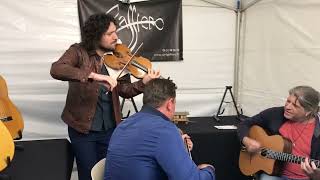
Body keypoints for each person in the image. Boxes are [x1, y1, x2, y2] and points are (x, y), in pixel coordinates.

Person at [50, 13, 160, 180]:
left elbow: (124, 90)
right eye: (109, 34)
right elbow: (57, 69)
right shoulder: (78, 52)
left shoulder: (116, 58)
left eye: (115, 32)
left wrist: (143, 83)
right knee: (88, 174)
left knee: (109, 172)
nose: (116, 37)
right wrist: (94, 75)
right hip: (83, 128)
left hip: (110, 129)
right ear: (95, 35)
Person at [104, 79, 215, 180]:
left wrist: (177, 146)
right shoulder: (165, 130)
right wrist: (209, 170)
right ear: (170, 104)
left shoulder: (123, 125)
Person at [238, 86, 320, 180]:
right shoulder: (275, 114)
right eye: (288, 101)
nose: (288, 107)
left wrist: (316, 176)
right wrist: (246, 140)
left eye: (295, 106)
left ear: (308, 111)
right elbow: (245, 124)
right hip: (276, 174)